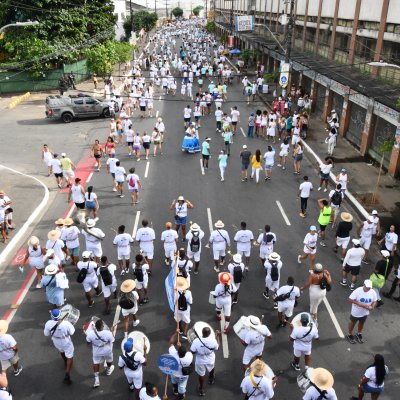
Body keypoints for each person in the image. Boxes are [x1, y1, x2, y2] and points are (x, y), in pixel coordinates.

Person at [44, 308, 75, 384]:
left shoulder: (48, 323)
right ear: (60, 315)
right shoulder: (66, 323)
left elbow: (46, 334)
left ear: (52, 316)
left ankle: (65, 362)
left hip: (56, 341)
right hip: (66, 341)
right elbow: (72, 332)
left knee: (61, 351)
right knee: (70, 356)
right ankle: (67, 373)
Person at [190, 326, 220, 396]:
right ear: (209, 333)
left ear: (202, 333)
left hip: (200, 360)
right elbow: (217, 347)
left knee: (201, 374)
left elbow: (192, 351)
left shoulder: (196, 341)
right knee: (212, 368)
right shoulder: (213, 340)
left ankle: (201, 389)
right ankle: (211, 379)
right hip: (210, 359)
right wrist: (218, 336)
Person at [86, 318, 115, 388]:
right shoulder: (108, 333)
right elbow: (112, 340)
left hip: (96, 351)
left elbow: (88, 343)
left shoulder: (90, 334)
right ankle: (108, 370)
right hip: (107, 350)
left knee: (96, 363)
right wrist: (112, 331)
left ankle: (96, 380)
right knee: (109, 360)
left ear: (95, 327)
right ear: (102, 326)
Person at [346, 279, 377, 344]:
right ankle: (349, 334)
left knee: (361, 323)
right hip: (356, 312)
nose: (368, 289)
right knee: (352, 323)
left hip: (365, 313)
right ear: (364, 285)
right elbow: (350, 299)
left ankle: (359, 333)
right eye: (367, 287)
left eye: (369, 288)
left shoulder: (372, 292)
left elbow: (375, 301)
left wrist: (372, 307)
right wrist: (359, 303)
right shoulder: (357, 291)